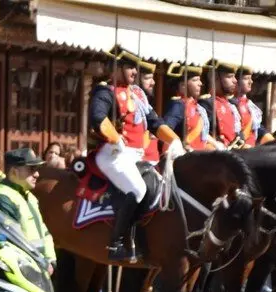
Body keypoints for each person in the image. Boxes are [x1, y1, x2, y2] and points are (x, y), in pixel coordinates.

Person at [88, 45, 184, 262]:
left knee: (158, 187)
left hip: (136, 156)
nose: (134, 72)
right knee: (138, 189)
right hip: (113, 153)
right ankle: (115, 243)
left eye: (135, 68)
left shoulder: (137, 94)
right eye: (129, 67)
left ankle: (139, 238)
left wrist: (174, 139)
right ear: (117, 67)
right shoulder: (105, 91)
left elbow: (154, 122)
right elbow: (98, 117)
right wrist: (115, 137)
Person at [0, 148, 56, 270]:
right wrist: (42, 263)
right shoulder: (2, 198)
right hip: (22, 270)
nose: (37, 174)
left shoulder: (30, 196)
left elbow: (44, 232)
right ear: (14, 172)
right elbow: (15, 242)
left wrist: (50, 260)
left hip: (39, 267)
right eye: (31, 169)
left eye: (37, 169)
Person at [163, 63, 217, 151]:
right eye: (195, 80)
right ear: (183, 85)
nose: (200, 83)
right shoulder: (178, 105)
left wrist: (216, 144)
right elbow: (167, 130)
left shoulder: (198, 107)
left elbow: (203, 135)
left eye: (199, 80)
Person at [199, 60, 242, 149]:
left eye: (234, 77)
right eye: (230, 77)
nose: (235, 81)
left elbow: (238, 133)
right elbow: (202, 132)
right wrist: (214, 144)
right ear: (215, 78)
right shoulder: (206, 103)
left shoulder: (232, 104)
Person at [231, 65, 275, 147]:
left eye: (250, 78)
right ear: (235, 81)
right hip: (238, 150)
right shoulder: (229, 104)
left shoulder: (249, 104)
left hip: (252, 150)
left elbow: (256, 128)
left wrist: (271, 140)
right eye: (246, 78)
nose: (251, 82)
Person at [137, 60, 161, 166]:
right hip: (138, 158)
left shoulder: (146, 104)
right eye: (147, 78)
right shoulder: (129, 101)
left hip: (151, 160)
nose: (153, 82)